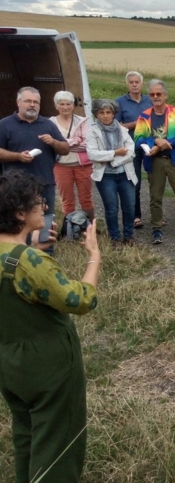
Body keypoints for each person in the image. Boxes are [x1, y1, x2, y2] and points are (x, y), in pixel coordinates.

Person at [0, 170, 101, 483]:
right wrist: (94, 257)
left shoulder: (17, 258)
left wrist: (31, 249)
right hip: (49, 364)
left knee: (27, 435)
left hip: (9, 362)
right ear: (19, 214)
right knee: (58, 444)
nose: (45, 208)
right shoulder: (29, 262)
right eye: (38, 203)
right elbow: (79, 300)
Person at [134, 79, 175, 244]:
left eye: (159, 94)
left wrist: (162, 145)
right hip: (154, 163)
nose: (156, 97)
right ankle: (156, 229)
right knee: (155, 197)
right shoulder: (144, 116)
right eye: (152, 94)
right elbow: (138, 139)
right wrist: (155, 141)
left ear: (165, 95)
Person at [0, 87, 70, 225]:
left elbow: (66, 149)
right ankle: (21, 246)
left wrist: (54, 142)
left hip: (44, 183)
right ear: (18, 102)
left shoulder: (48, 124)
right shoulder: (4, 124)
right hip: (14, 185)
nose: (32, 105)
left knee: (45, 220)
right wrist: (18, 156)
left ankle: (45, 246)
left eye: (36, 102)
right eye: (28, 101)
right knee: (16, 221)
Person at [87, 99, 138, 246]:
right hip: (105, 176)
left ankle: (129, 236)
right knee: (111, 208)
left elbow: (131, 151)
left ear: (114, 114)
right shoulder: (92, 131)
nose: (105, 116)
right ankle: (114, 238)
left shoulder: (122, 130)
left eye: (108, 112)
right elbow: (93, 154)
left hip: (124, 174)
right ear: (96, 114)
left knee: (129, 206)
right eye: (101, 112)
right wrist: (115, 152)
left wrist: (112, 160)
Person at [115, 72, 152, 230]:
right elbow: (115, 126)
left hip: (151, 146)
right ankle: (136, 216)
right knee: (134, 183)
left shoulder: (150, 100)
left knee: (155, 182)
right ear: (127, 85)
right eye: (131, 82)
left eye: (137, 82)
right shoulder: (120, 102)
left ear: (142, 84)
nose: (134, 84)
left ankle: (157, 216)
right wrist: (136, 124)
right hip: (132, 148)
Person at [49, 90, 94, 220]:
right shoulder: (50, 123)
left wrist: (62, 145)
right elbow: (51, 145)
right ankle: (69, 228)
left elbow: (88, 144)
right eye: (61, 104)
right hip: (60, 165)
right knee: (67, 199)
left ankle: (90, 226)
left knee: (86, 197)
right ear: (56, 105)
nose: (65, 107)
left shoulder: (82, 121)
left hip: (83, 165)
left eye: (68, 104)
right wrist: (75, 140)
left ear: (73, 105)